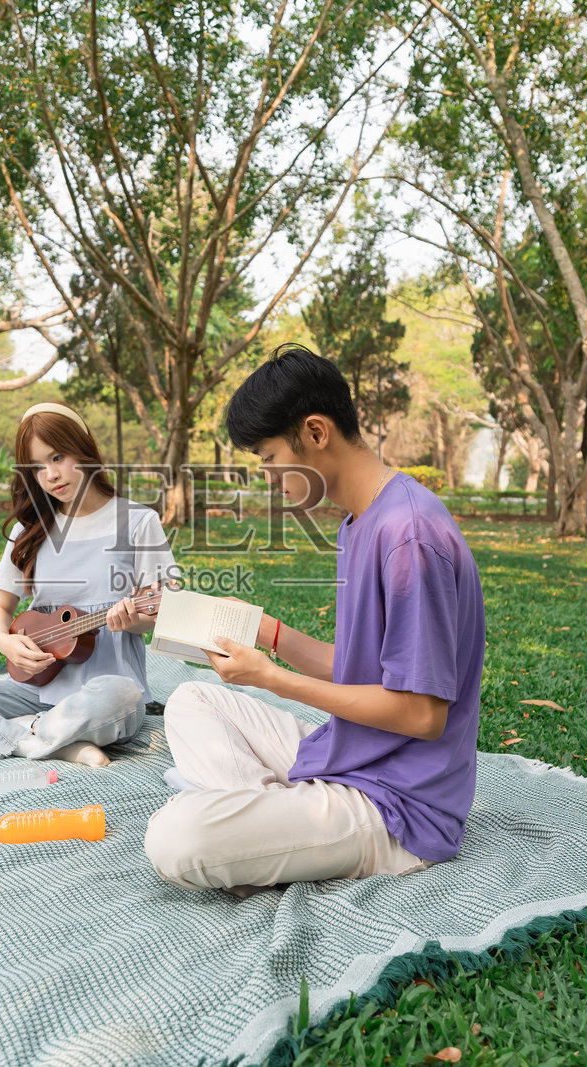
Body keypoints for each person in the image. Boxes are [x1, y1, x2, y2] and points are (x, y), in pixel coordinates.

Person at [144, 344, 484, 893]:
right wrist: (267, 632)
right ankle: (275, 823)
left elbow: (422, 715)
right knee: (191, 700)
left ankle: (268, 826)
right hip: (354, 752)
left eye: (271, 458)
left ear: (316, 432)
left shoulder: (409, 536)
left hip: (399, 807)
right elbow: (363, 669)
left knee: (175, 838)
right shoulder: (360, 519)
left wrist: (272, 679)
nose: (269, 477)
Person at [0, 403, 180, 767]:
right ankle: (42, 741)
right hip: (32, 689)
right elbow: (2, 610)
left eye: (58, 457)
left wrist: (133, 620)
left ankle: (13, 733)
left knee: (123, 695)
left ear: (84, 449)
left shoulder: (138, 521)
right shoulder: (27, 531)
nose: (50, 475)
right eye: (37, 467)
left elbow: (158, 609)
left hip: (102, 696)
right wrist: (5, 641)